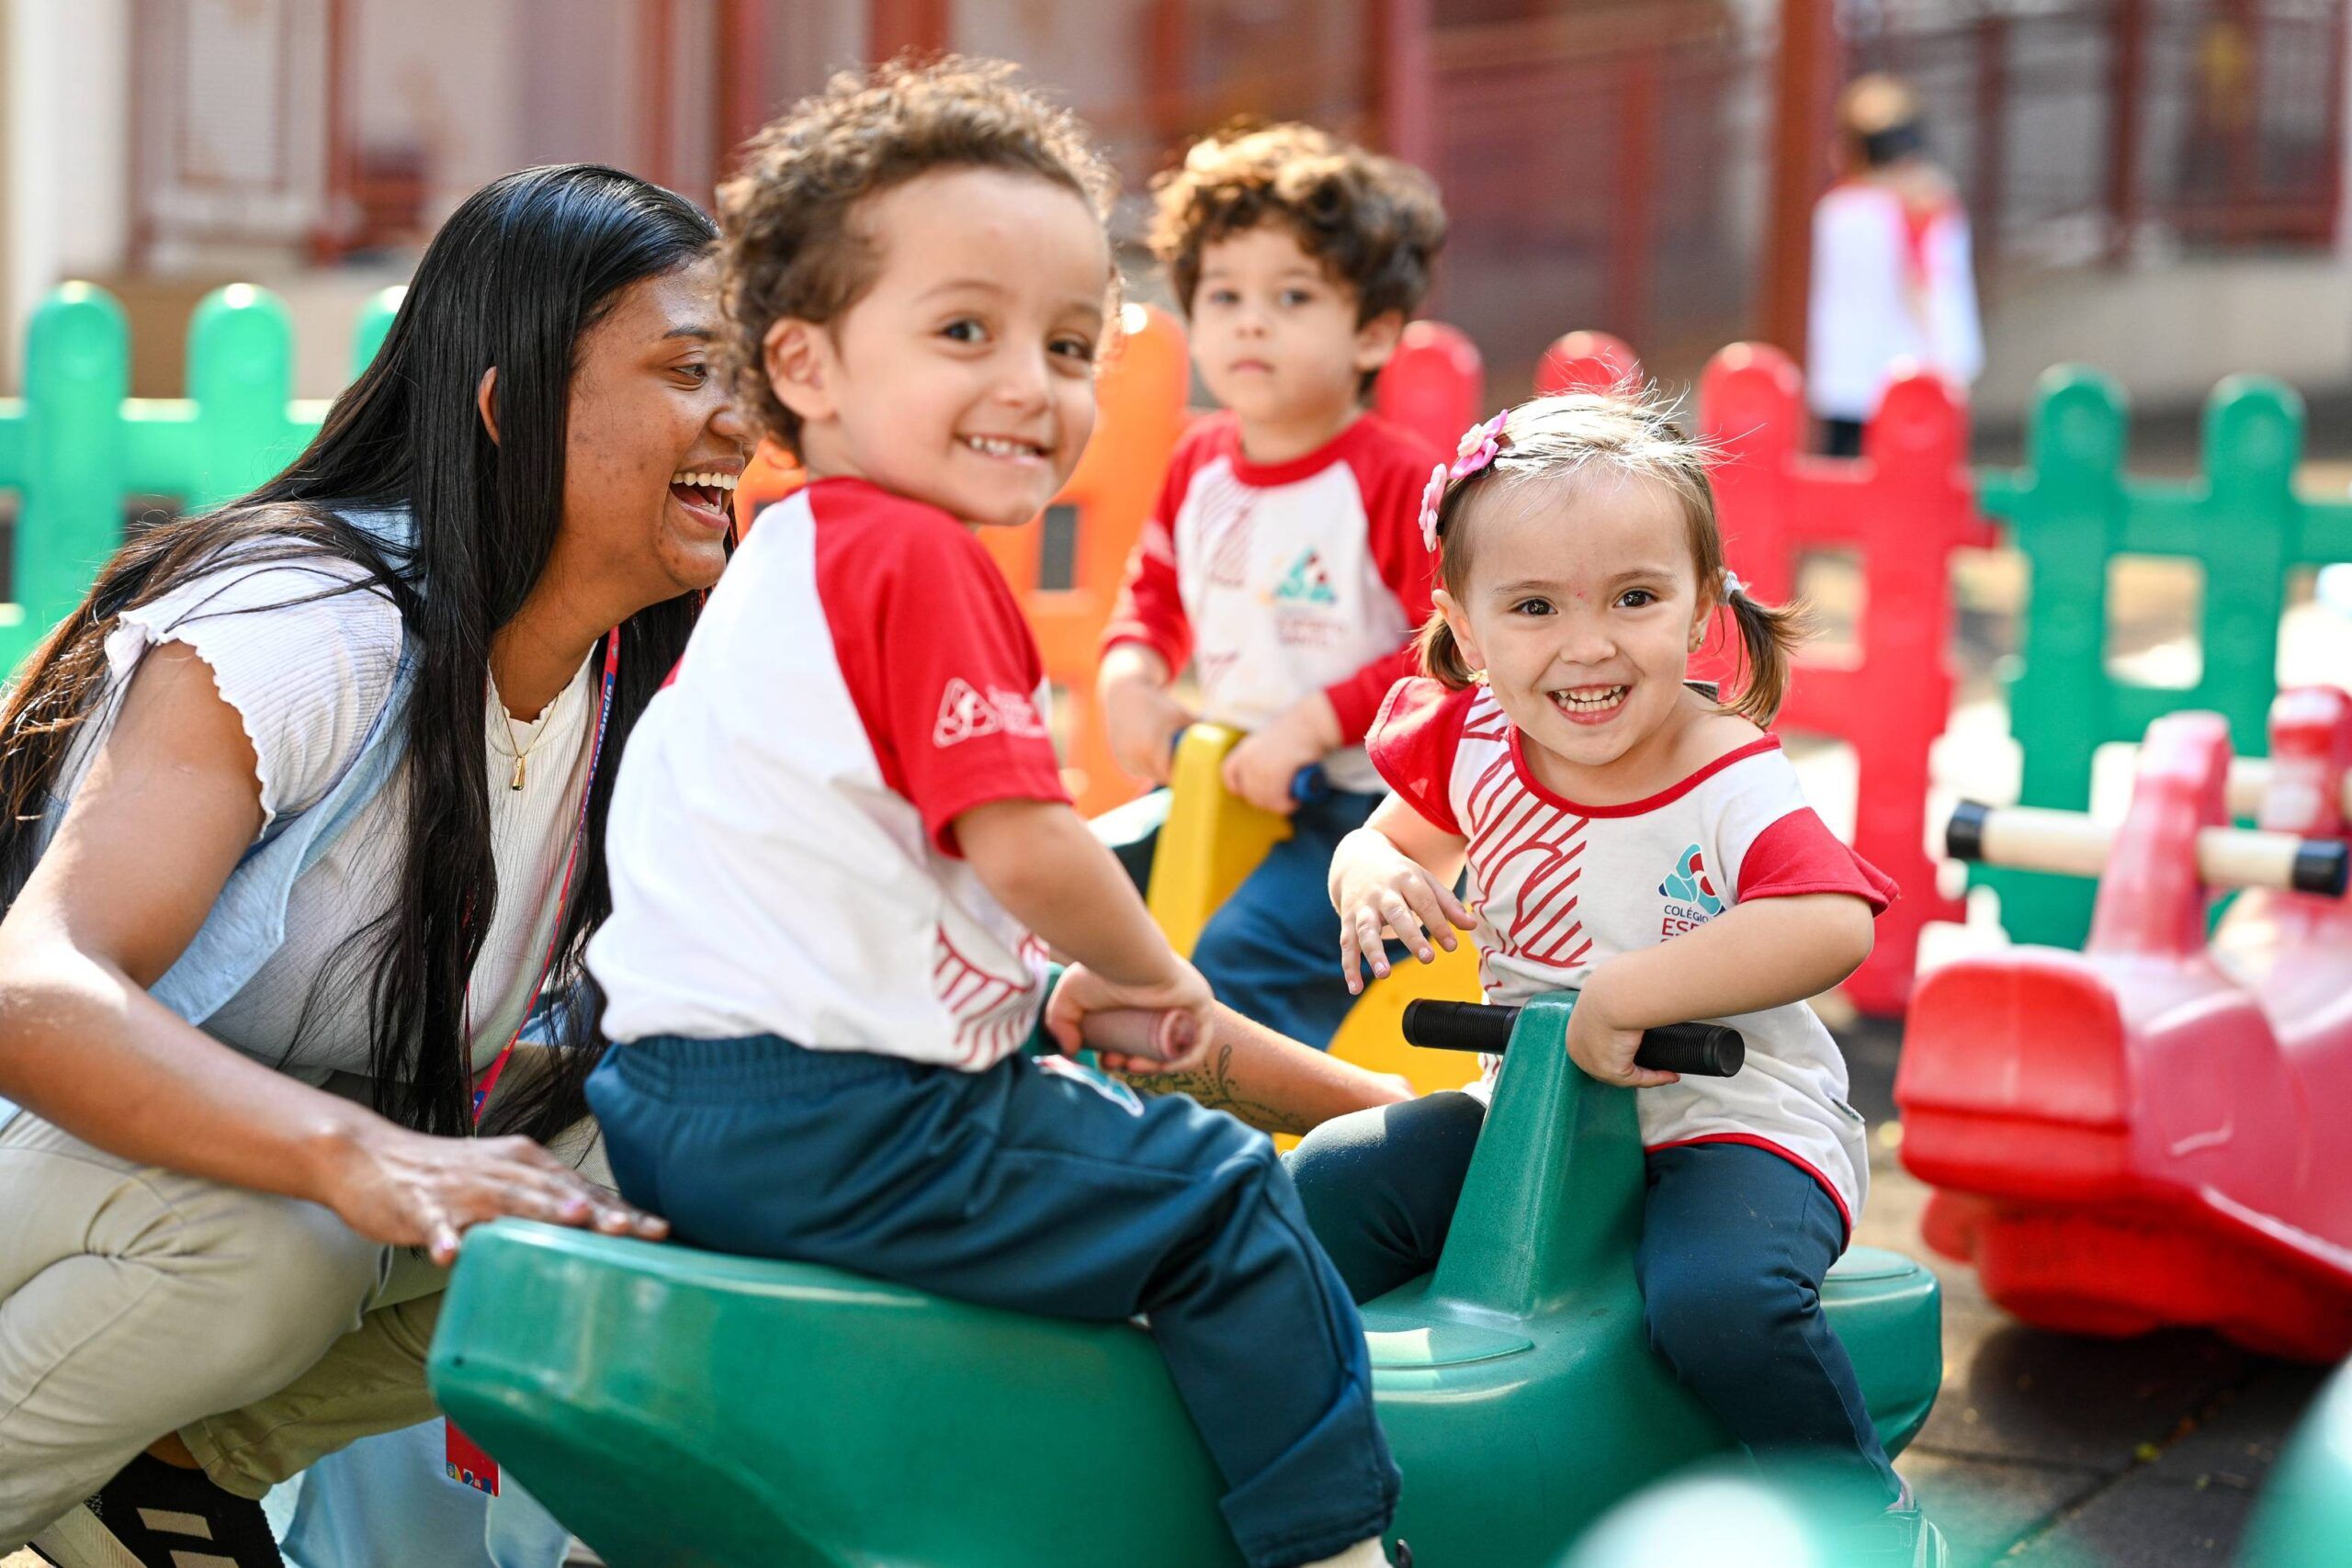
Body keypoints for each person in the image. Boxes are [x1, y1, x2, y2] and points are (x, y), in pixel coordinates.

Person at [582, 59, 1408, 1568]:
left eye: (1075, 342)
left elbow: (849, 876)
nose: (1035, 382)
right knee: (1218, 1200)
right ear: (811, 365)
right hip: (843, 1115)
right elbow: (1023, 839)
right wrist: (1161, 978)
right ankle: (1338, 1548)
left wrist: (1042, 991)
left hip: (666, 1098)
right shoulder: (918, 556)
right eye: (967, 331)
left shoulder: (787, 556)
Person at [0, 164, 733, 1567]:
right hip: (51, 1166)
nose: (741, 421)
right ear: (511, 407)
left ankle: (170, 1474)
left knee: (682, 1163)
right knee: (288, 1237)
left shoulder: (634, 675)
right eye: (690, 367)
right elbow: (36, 986)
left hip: (225, 1200)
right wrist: (359, 1155)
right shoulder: (309, 622)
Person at [1290, 394, 1949, 1566]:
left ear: (1700, 602)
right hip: (1533, 1117)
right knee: (1327, 1187)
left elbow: (1828, 921)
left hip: (1727, 1121)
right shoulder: (1477, 739)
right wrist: (1369, 875)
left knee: (1719, 1303)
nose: (1587, 646)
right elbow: (1382, 838)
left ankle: (1866, 1523)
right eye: (1535, 608)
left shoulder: (1724, 773)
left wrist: (1628, 992)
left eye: (1633, 599)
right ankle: (1296, 1464)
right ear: (1467, 624)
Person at [1095, 121, 1448, 1048]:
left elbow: (1452, 656)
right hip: (1235, 776)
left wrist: (1318, 718)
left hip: (1371, 808)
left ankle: (1242, 1161)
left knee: (1243, 960)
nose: (1249, 321)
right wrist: (1130, 672)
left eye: (1292, 296)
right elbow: (1154, 593)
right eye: (1224, 295)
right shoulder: (1200, 461)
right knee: (1086, 895)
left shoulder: (1394, 480)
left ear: (1373, 332)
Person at [1806, 74, 1984, 457]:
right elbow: (1927, 291)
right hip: (1910, 377)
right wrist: (1950, 364)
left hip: (1847, 378)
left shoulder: (1837, 211)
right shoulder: (1921, 210)